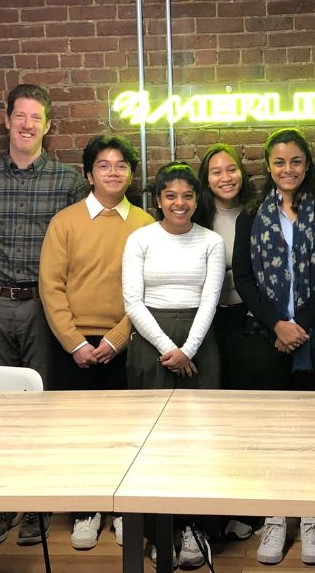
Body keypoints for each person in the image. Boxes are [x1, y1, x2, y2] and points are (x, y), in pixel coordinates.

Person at [0, 83, 87, 547]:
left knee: (44, 406)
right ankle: (1, 506)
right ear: (6, 120)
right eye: (19, 115)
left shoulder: (68, 181)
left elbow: (74, 249)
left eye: (35, 117)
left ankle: (38, 506)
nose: (26, 124)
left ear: (47, 125)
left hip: (44, 306)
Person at [233, 128, 315, 566]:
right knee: (272, 433)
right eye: (279, 162)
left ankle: (313, 515)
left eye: (296, 161)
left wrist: (301, 323)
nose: (288, 170)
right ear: (268, 166)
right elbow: (242, 278)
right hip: (265, 336)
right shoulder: (251, 215)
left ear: (308, 164)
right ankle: (277, 515)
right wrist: (278, 323)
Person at [39, 135, 153, 550]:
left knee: (127, 431)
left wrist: (118, 338)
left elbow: (147, 291)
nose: (113, 172)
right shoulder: (65, 222)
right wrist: (74, 342)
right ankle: (86, 508)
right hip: (73, 344)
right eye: (103, 165)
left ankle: (123, 508)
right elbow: (51, 287)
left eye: (121, 165)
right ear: (88, 174)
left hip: (126, 339)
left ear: (131, 174)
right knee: (79, 432)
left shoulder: (144, 224)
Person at [121, 162, 224, 569]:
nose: (179, 203)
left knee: (200, 441)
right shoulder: (139, 238)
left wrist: (190, 349)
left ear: (197, 200)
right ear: (158, 200)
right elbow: (132, 301)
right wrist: (170, 349)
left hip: (200, 341)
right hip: (151, 342)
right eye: (170, 196)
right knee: (152, 443)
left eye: (187, 195)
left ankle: (196, 530)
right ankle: (153, 530)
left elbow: (210, 299)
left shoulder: (211, 241)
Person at [191, 143, 261, 545]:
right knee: (216, 415)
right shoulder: (195, 215)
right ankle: (216, 508)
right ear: (206, 180)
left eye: (231, 169)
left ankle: (248, 509)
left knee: (248, 412)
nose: (225, 177)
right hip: (207, 322)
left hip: (249, 322)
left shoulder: (258, 212)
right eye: (215, 171)